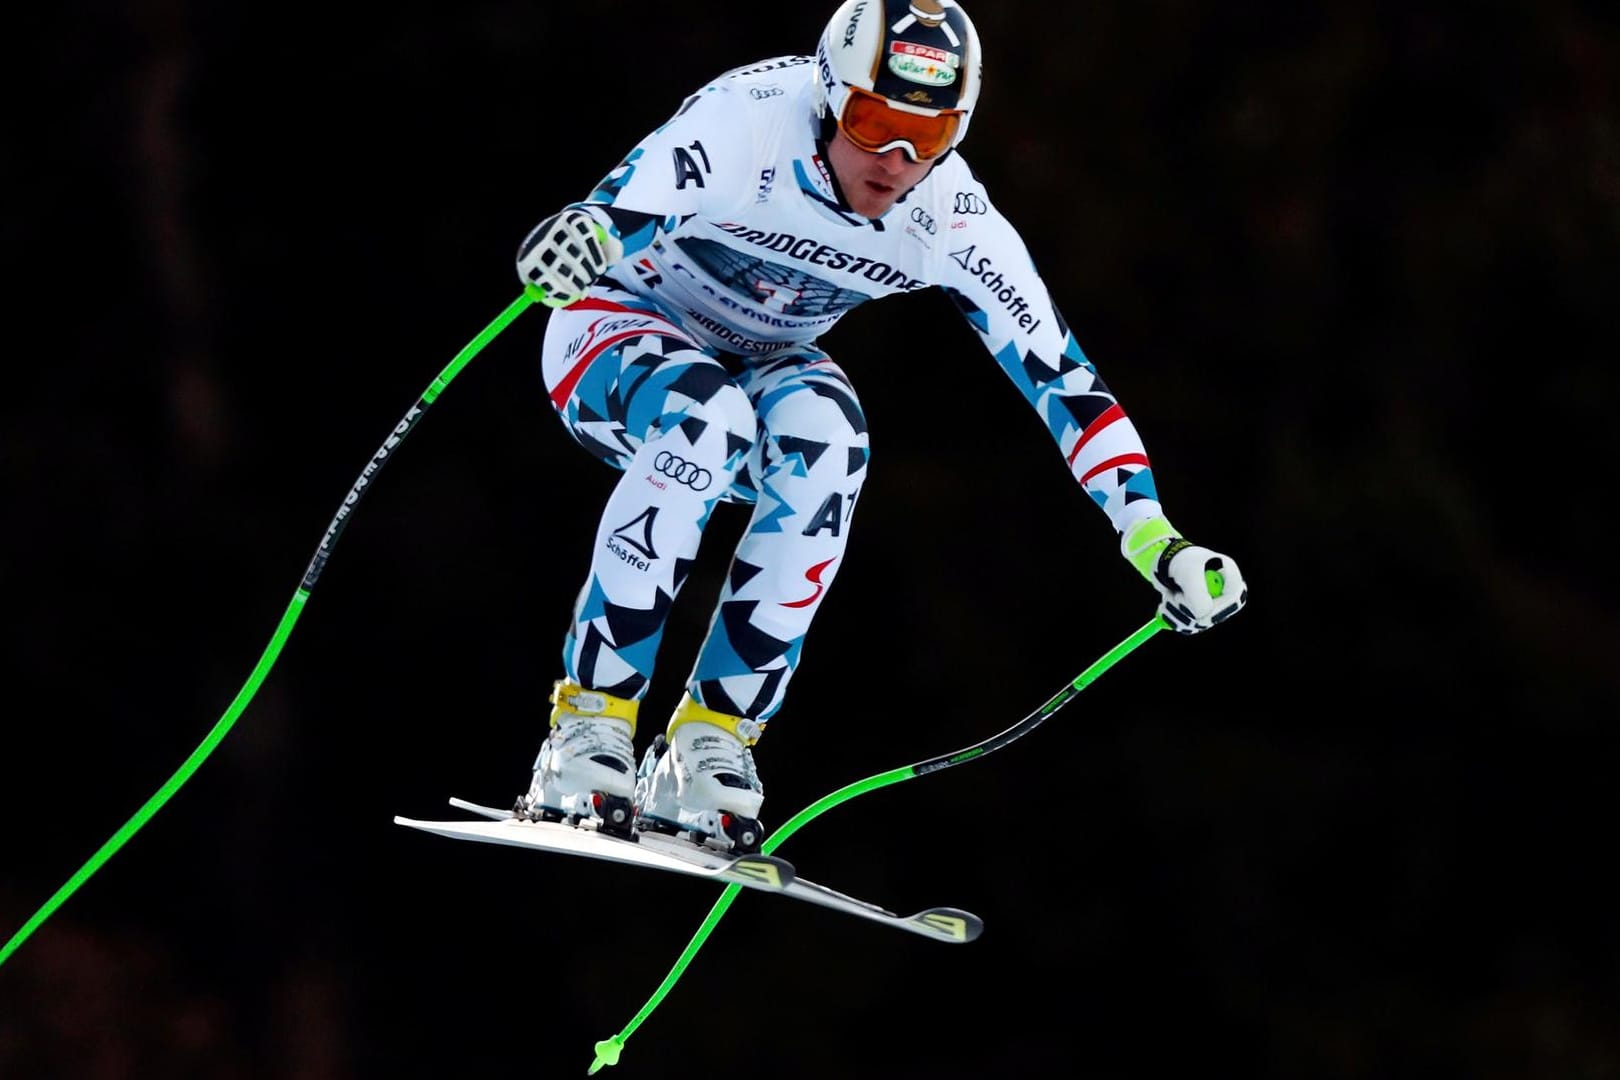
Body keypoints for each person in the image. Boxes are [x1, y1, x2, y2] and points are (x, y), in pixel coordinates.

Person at [509, 0, 1247, 853]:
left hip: (761, 363)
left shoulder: (950, 218)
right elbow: (618, 206)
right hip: (618, 331)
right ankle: (588, 725)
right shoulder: (751, 122)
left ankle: (709, 742)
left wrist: (1155, 537)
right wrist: (583, 235)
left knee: (829, 434)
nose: (896, 160)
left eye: (928, 138)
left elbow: (1067, 384)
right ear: (827, 98)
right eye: (872, 122)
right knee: (701, 415)